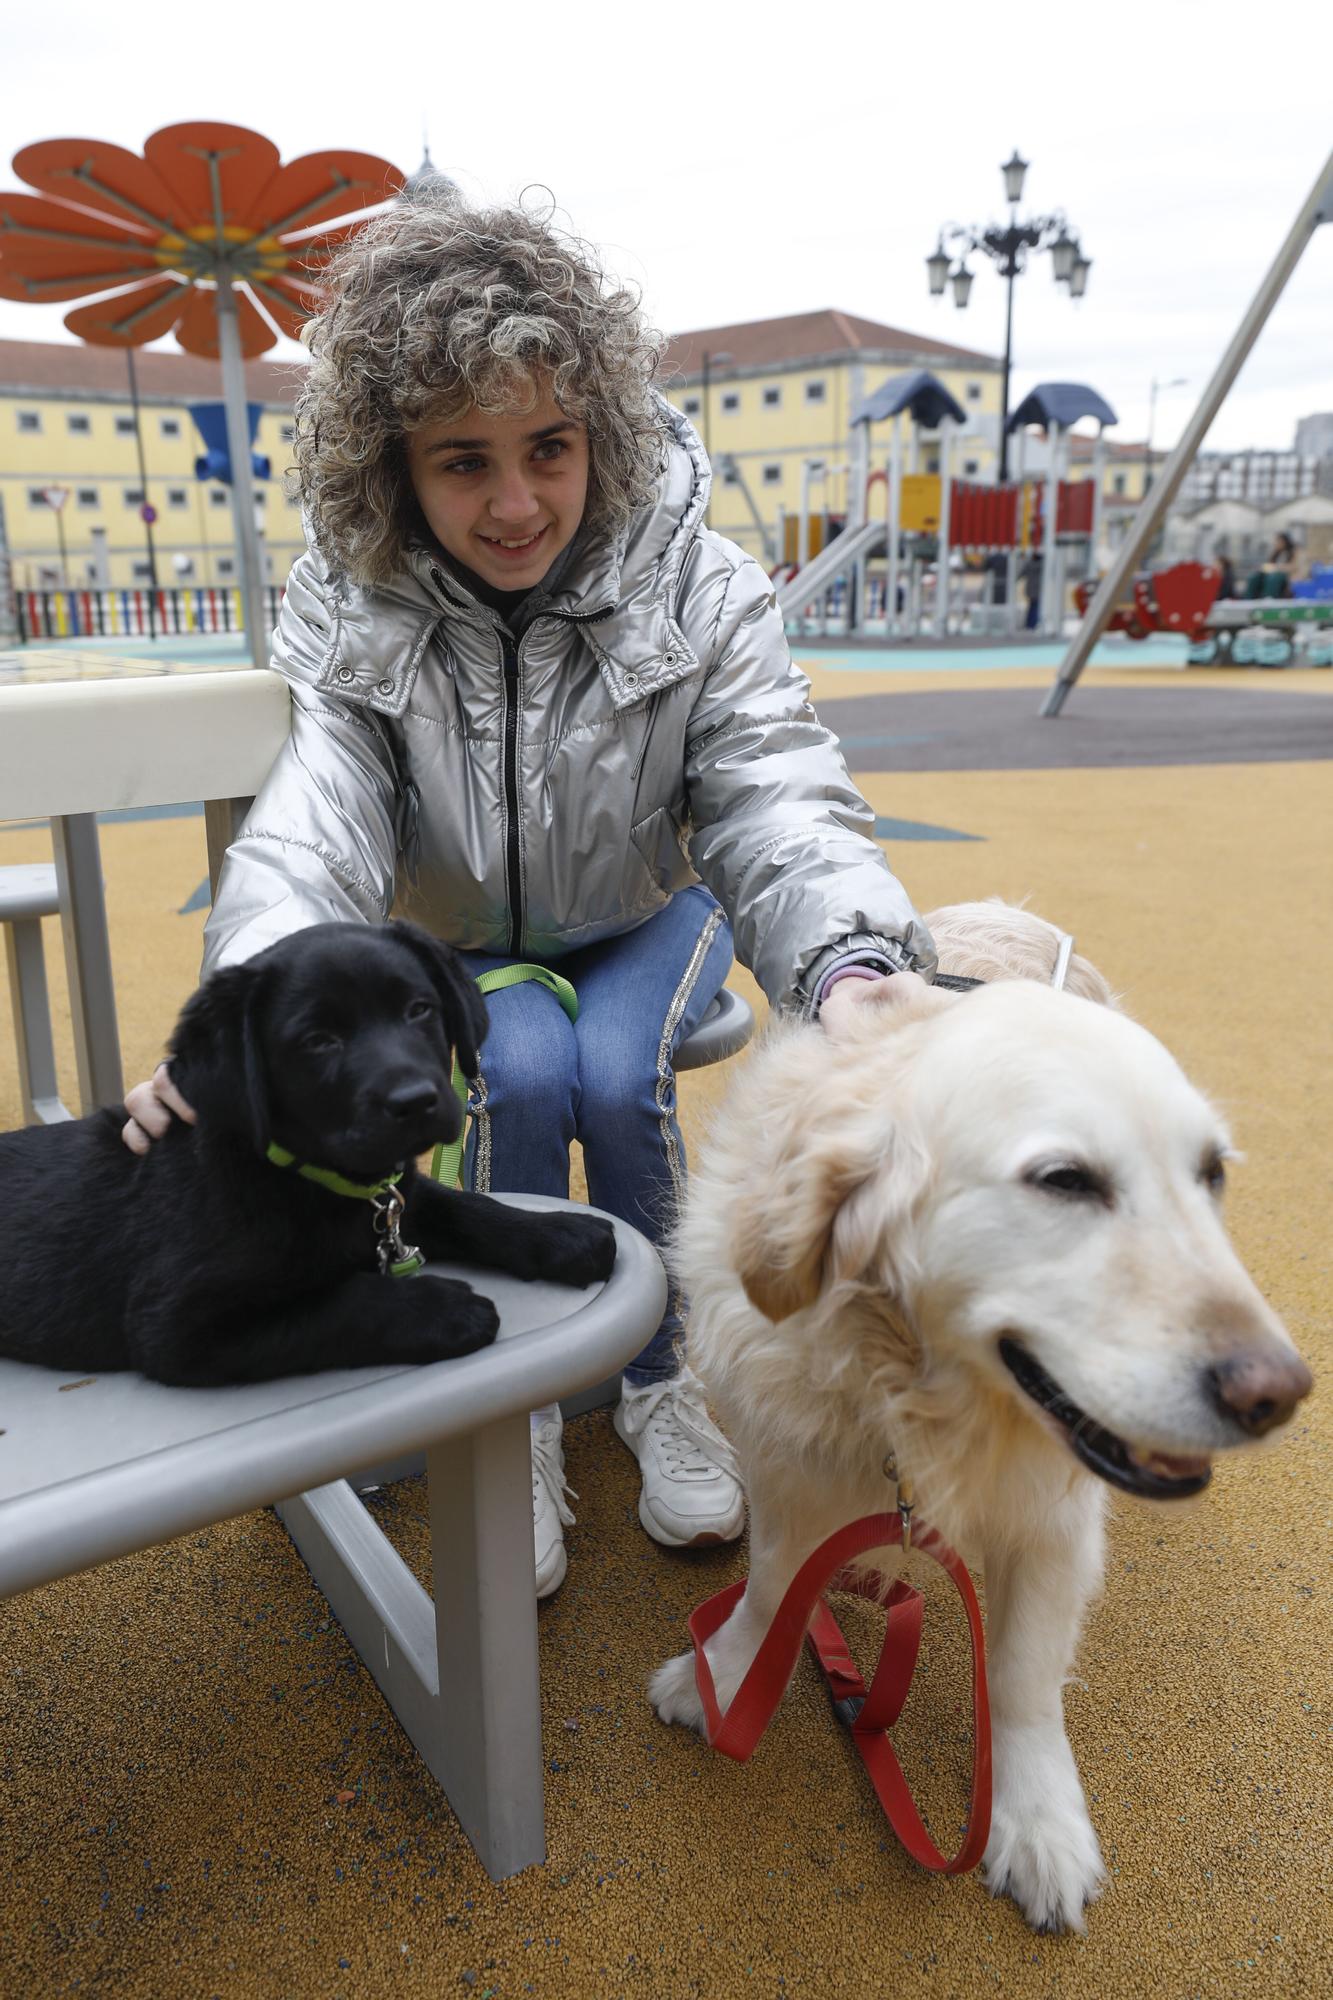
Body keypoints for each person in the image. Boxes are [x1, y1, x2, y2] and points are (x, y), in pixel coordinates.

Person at [123, 189, 935, 1598]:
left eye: (548, 447)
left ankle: (660, 1377)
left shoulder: (694, 579)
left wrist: (855, 969)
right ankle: (529, 1406)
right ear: (395, 471)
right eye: (462, 462)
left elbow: (767, 793)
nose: (513, 503)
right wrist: (234, 1014)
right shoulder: (356, 600)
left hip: (639, 911)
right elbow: (315, 825)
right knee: (522, 1070)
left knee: (615, 1072)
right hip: (459, 941)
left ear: (600, 433)